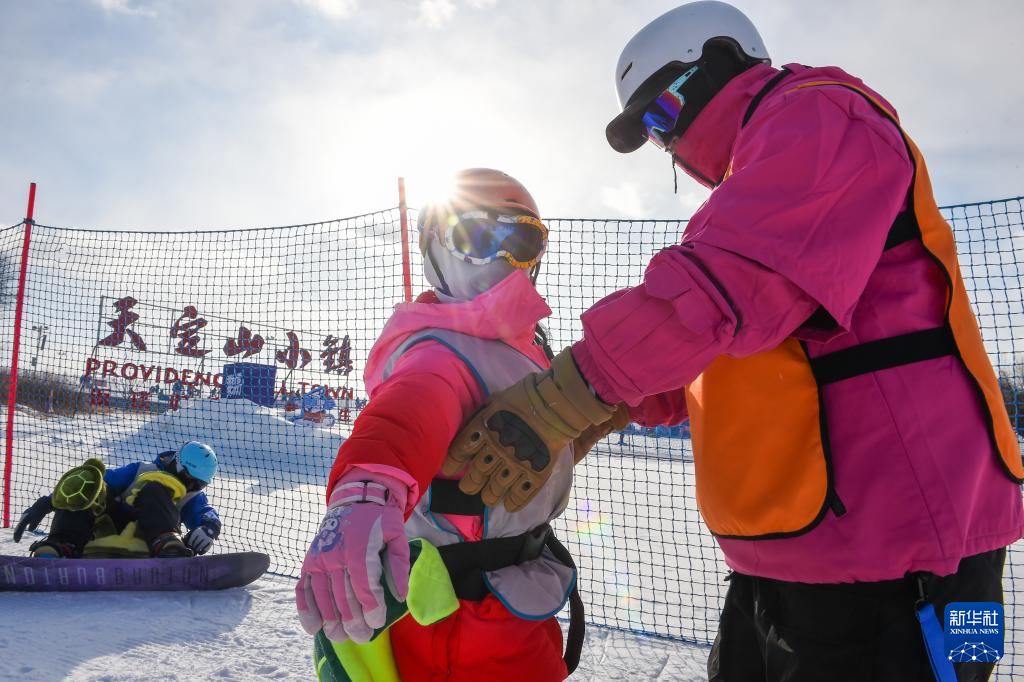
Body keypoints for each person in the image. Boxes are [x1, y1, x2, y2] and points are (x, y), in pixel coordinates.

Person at [442, 4, 1023, 681]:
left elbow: (732, 287)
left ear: (721, 59)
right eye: (652, 131)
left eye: (663, 112)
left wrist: (565, 396)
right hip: (793, 553)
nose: (667, 142)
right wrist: (607, 409)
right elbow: (718, 349)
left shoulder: (823, 116)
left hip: (911, 560)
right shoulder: (744, 193)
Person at [295, 169, 611, 682]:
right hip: (460, 615)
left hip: (518, 597)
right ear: (435, 246)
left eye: (522, 241)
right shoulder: (441, 349)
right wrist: (366, 488)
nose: (504, 258)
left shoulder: (523, 349)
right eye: (479, 237)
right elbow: (410, 410)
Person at [14, 441, 221, 559]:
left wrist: (209, 528)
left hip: (149, 541)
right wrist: (47, 502)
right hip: (106, 527)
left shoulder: (192, 496)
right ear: (177, 464)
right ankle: (62, 544)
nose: (190, 488)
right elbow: (93, 484)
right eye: (188, 480)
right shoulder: (140, 470)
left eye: (199, 485)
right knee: (90, 486)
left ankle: (167, 545)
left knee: (158, 488)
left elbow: (206, 514)